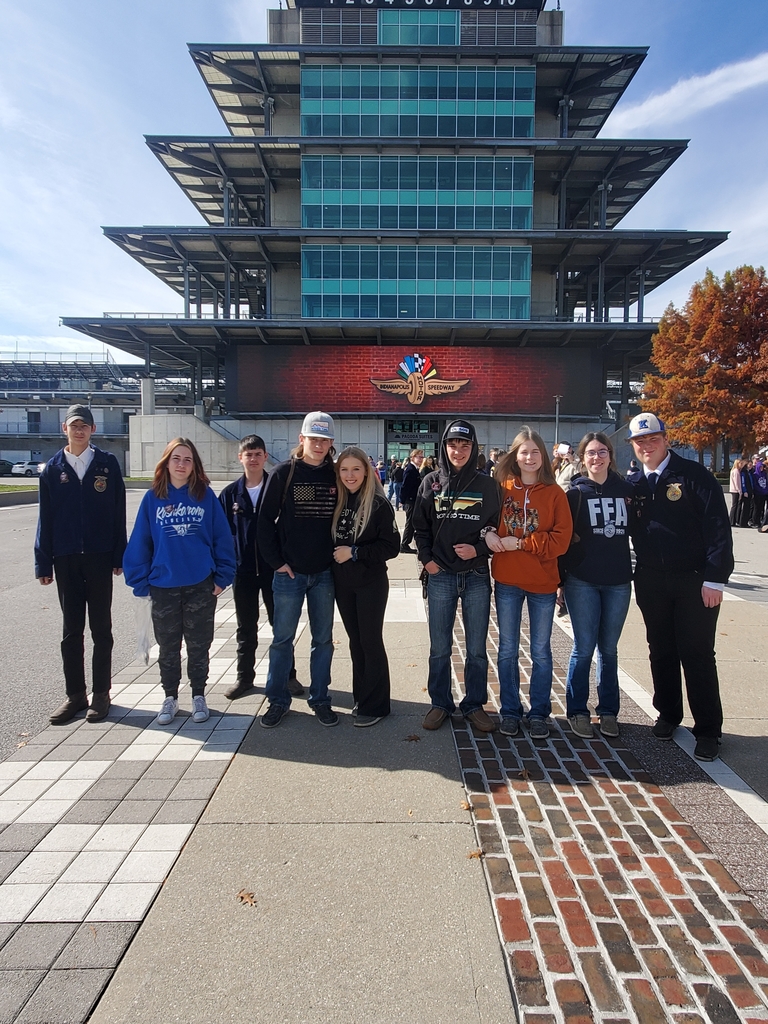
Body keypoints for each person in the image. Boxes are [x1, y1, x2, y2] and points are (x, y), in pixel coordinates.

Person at [627, 412, 734, 761]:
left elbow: (718, 528)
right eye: (640, 441)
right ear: (633, 445)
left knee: (697, 654)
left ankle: (707, 730)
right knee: (661, 650)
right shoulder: (635, 485)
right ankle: (669, 714)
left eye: (652, 438)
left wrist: (716, 578)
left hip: (695, 581)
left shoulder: (693, 476)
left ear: (666, 439)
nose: (647, 445)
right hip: (652, 580)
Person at [123, 438, 236, 726]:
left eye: (187, 459)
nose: (182, 464)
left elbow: (222, 539)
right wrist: (141, 582)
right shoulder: (153, 498)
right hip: (164, 586)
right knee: (168, 647)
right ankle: (170, 697)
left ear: (194, 465)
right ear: (166, 462)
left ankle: (198, 694)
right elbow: (141, 541)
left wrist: (223, 577)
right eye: (176, 458)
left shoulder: (204, 496)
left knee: (199, 645)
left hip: (200, 584)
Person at [35, 404, 127, 724]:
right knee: (71, 630)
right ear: (64, 429)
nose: (79, 430)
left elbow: (118, 512)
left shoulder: (107, 464)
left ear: (92, 430)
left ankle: (101, 694)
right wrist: (43, 562)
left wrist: (119, 555)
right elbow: (45, 519)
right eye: (74, 425)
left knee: (101, 628)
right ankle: (76, 695)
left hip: (101, 557)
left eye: (84, 425)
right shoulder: (52, 469)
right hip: (66, 557)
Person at [413, 420, 502, 732]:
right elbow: (419, 528)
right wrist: (428, 562)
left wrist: (478, 550)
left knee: (477, 647)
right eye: (453, 444)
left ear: (473, 447)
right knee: (439, 646)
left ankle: (474, 704)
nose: (458, 450)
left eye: (465, 445)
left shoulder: (488, 485)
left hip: (476, 575)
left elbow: (495, 528)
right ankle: (440, 703)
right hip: (440, 576)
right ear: (444, 447)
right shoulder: (430, 482)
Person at [486, 428, 572, 739]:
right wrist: (488, 534)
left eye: (536, 452)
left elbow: (560, 541)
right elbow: (486, 520)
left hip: (542, 583)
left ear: (544, 457)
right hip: (508, 580)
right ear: (515, 455)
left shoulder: (554, 494)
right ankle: (510, 711)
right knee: (508, 649)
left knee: (540, 650)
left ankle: (539, 713)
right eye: (524, 451)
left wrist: (522, 544)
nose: (530, 457)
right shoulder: (501, 488)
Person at [257, 411, 339, 728]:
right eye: (313, 438)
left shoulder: (335, 476)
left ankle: (320, 699)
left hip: (324, 574)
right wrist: (277, 563)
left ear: (331, 443)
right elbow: (264, 523)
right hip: (289, 575)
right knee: (282, 640)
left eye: (324, 440)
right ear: (302, 439)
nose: (318, 445)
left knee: (323, 641)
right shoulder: (283, 474)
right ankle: (278, 700)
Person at [218, 435, 303, 701]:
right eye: (248, 454)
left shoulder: (276, 487)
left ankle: (288, 676)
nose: (253, 459)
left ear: (266, 457)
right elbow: (220, 535)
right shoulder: (230, 494)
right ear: (240, 457)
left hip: (274, 569)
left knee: (282, 626)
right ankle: (245, 677)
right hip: (242, 571)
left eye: (258, 454)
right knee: (246, 628)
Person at [562, 433, 634, 739]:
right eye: (590, 453)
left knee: (609, 649)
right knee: (583, 647)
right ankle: (578, 710)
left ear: (610, 455)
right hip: (582, 580)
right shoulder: (575, 495)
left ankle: (608, 712)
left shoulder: (627, 490)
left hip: (618, 581)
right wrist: (560, 582)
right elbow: (563, 542)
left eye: (602, 452)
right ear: (582, 458)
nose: (597, 457)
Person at [332, 447, 401, 726]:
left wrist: (355, 552)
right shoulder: (337, 501)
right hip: (343, 584)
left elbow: (391, 546)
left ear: (367, 472)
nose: (350, 475)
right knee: (355, 642)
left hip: (370, 583)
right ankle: (361, 696)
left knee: (370, 641)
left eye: (356, 469)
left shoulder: (378, 504)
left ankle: (377, 706)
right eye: (344, 470)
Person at [399, 448, 424, 554]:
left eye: (422, 457)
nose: (421, 459)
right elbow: (405, 486)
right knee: (410, 523)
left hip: (414, 499)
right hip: (410, 500)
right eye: (419, 457)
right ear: (413, 457)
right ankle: (404, 544)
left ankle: (406, 543)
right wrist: (402, 500)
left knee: (412, 522)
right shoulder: (410, 469)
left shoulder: (415, 469)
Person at [728, 458, 743, 527]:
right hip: (736, 490)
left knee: (734, 505)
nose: (741, 465)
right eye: (740, 463)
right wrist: (740, 491)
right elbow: (737, 482)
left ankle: (732, 521)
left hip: (733, 490)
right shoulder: (736, 471)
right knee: (735, 506)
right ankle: (732, 521)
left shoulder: (733, 470)